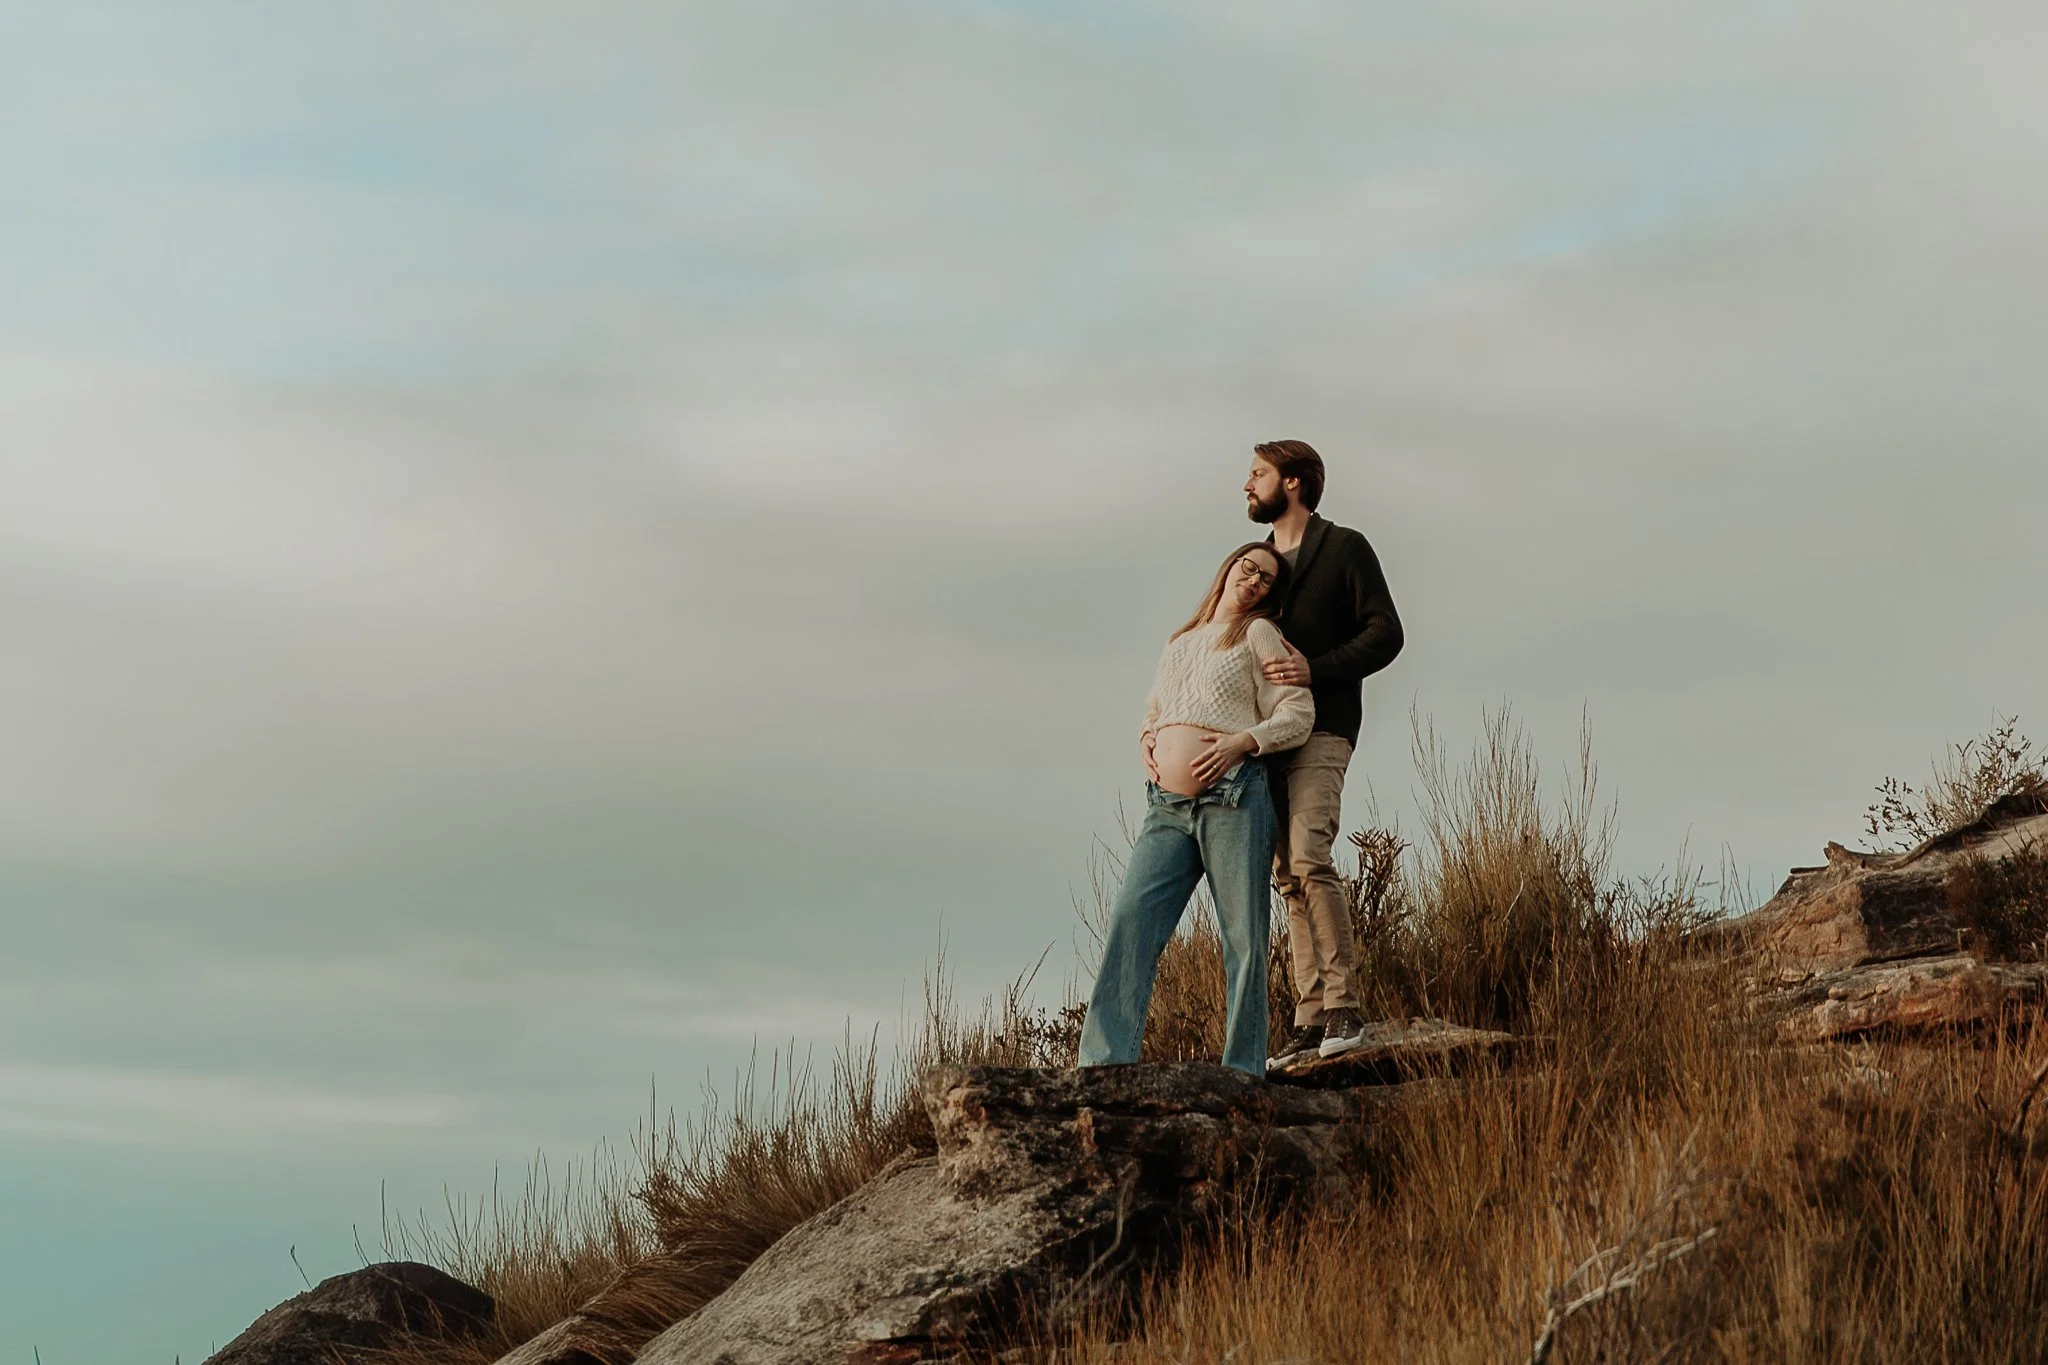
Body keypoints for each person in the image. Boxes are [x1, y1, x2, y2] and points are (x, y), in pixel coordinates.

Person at [1077, 543, 1314, 1078]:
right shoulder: (1180, 640)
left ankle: (1243, 1069)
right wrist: (1147, 737)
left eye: (1267, 581)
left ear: (1270, 598)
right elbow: (1157, 707)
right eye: (1248, 568)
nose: (1254, 581)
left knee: (1244, 936)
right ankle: (1103, 1062)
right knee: (1131, 920)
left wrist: (1241, 743)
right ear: (1229, 567)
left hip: (1232, 797)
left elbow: (1298, 713)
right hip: (1166, 807)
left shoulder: (1258, 635)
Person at [1245, 440, 1405, 1068]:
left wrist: (1320, 669)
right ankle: (1310, 1017)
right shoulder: (1258, 565)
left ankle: (1345, 1007)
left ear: (1291, 483)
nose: (1246, 485)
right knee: (1286, 876)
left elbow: (1386, 632)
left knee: (1310, 855)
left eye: (1256, 474)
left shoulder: (1345, 547)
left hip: (1326, 727)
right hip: (1266, 737)